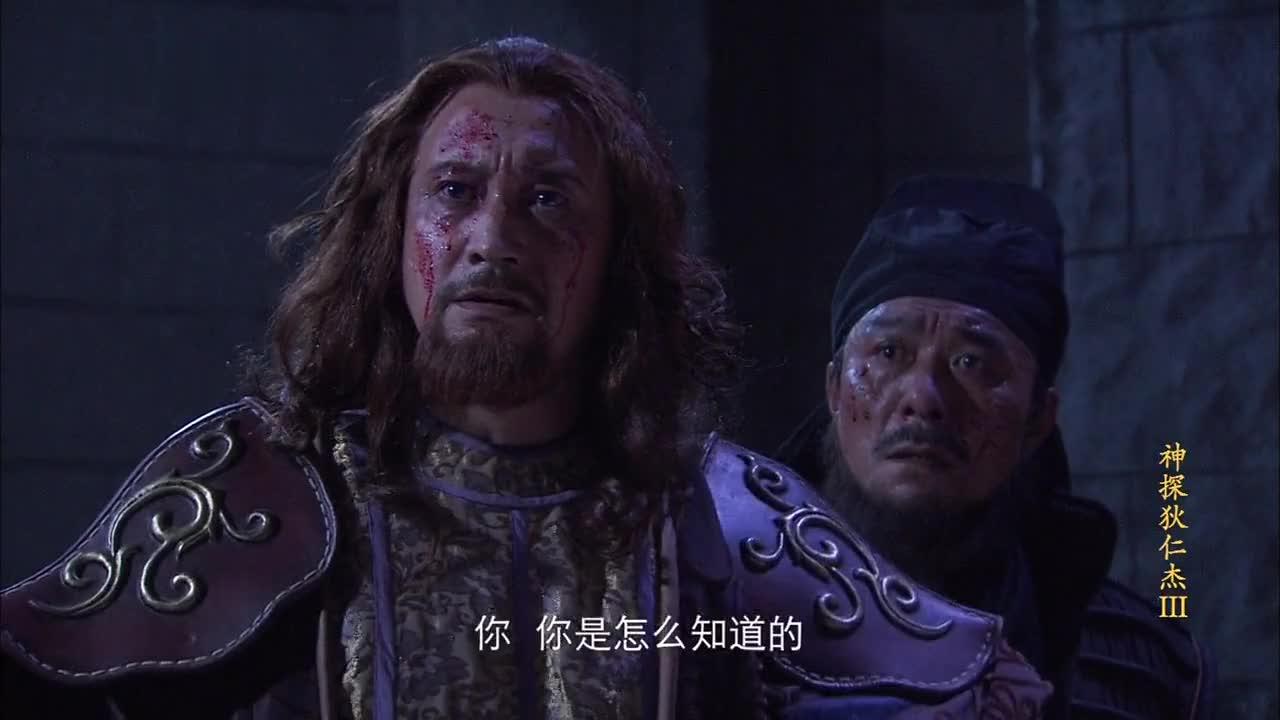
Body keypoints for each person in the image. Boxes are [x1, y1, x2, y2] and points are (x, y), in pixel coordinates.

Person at [1, 41, 1051, 719]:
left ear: (618, 259)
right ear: (393, 231)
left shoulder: (713, 518)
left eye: (548, 200)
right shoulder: (265, 493)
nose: (493, 239)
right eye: (455, 192)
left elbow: (964, 677)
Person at [776, 175, 1213, 720]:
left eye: (972, 363)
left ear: (1038, 420)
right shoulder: (724, 614)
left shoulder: (1144, 675)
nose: (924, 398)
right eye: (889, 352)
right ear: (834, 389)